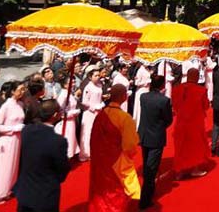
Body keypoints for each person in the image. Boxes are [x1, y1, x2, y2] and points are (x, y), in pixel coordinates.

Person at [89, 85, 141, 212]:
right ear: (124, 97)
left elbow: (93, 138)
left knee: (100, 188)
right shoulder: (124, 118)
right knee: (118, 190)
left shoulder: (101, 115)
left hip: (99, 160)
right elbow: (130, 145)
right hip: (117, 161)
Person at [13, 99, 70, 212]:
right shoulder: (58, 141)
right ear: (55, 115)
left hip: (25, 191)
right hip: (45, 194)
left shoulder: (26, 130)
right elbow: (62, 170)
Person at [0, 81, 26, 206]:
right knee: (3, 167)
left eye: (23, 89)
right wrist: (13, 129)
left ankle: (8, 189)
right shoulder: (6, 105)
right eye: (20, 89)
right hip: (6, 139)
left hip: (17, 139)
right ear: (13, 91)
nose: (22, 92)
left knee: (12, 167)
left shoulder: (20, 104)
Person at [137, 75, 172, 210]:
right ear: (162, 85)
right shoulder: (164, 101)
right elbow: (168, 120)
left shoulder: (143, 97)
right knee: (151, 168)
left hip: (144, 135)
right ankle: (145, 198)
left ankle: (148, 188)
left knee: (147, 163)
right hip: (156, 136)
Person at [172, 68, 211, 179]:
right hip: (195, 122)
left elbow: (174, 105)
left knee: (181, 146)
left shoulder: (176, 89)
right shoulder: (201, 90)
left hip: (181, 121)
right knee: (196, 145)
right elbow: (206, 106)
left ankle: (179, 171)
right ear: (197, 77)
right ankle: (194, 168)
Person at [79, 69, 104, 162]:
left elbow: (100, 98)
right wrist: (93, 108)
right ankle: (87, 153)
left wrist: (101, 104)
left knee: (97, 132)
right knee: (88, 132)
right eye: (95, 76)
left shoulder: (99, 85)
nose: (98, 77)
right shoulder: (88, 87)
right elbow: (84, 102)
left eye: (98, 75)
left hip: (98, 110)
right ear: (90, 77)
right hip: (90, 112)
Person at [54, 73, 80, 160]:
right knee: (68, 140)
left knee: (71, 139)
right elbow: (61, 112)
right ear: (65, 85)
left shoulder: (70, 93)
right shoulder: (63, 95)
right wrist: (74, 112)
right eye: (71, 82)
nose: (73, 84)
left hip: (72, 121)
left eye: (73, 82)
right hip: (66, 122)